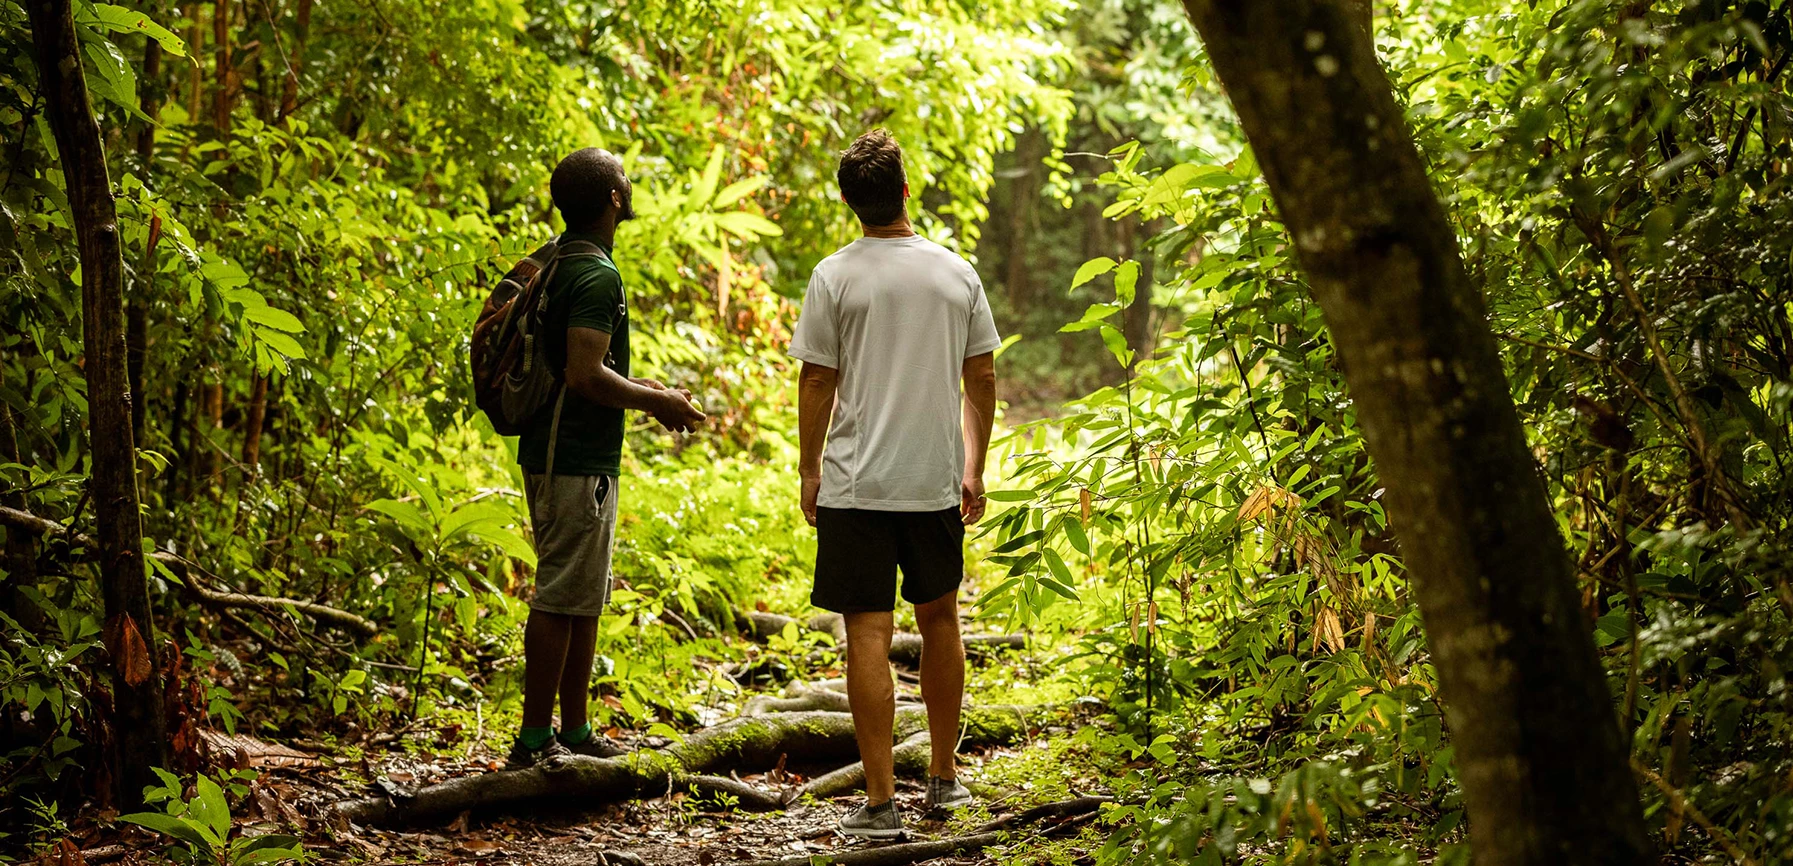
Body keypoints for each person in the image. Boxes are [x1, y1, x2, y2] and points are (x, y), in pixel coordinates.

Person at [789, 129, 1001, 838]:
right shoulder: (955, 273)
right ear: (905, 191)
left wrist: (810, 467)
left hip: (855, 485)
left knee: (866, 635)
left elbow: (817, 377)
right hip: (932, 481)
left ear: (849, 201)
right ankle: (944, 781)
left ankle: (879, 805)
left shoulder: (834, 275)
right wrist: (973, 465)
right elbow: (982, 377)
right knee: (941, 620)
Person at [508, 148, 708, 769]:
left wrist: (648, 390)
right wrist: (658, 407)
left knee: (582, 594)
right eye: (623, 175)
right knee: (559, 593)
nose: (629, 181)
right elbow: (585, 373)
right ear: (613, 199)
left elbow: (585, 367)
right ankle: (535, 741)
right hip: (573, 457)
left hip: (560, 450)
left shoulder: (560, 261)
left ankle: (574, 731)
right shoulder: (596, 275)